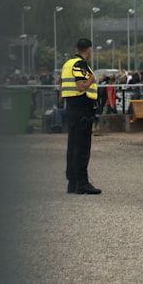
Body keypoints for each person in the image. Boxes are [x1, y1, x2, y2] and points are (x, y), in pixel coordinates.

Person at [61, 38, 101, 195]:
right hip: (82, 109)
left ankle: (72, 182)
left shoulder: (67, 64)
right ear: (88, 50)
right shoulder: (79, 64)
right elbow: (81, 86)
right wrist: (92, 78)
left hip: (71, 108)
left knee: (73, 146)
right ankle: (82, 182)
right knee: (82, 147)